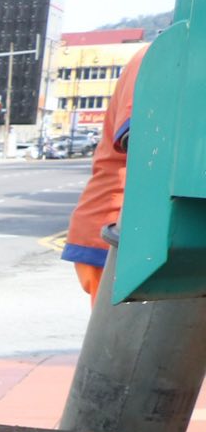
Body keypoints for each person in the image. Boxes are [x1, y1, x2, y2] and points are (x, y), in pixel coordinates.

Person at [62, 46, 145, 301]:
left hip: (141, 228)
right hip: (117, 228)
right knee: (126, 337)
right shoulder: (159, 58)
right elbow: (145, 139)